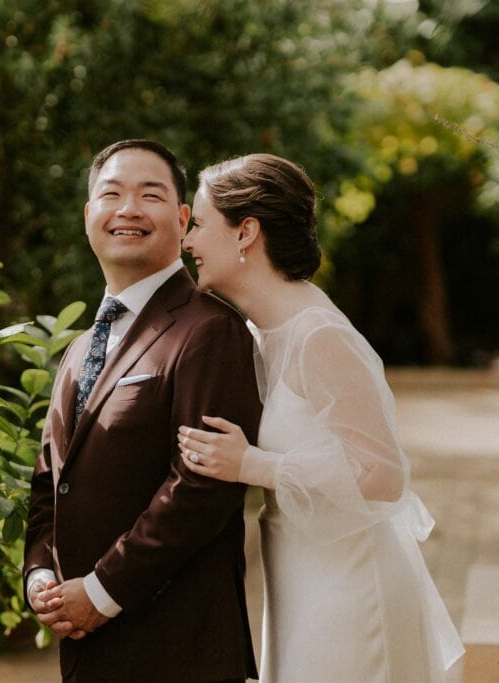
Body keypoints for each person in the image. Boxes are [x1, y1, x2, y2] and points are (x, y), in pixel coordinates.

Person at [177, 153, 465, 682]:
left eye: (197, 223)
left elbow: (383, 475)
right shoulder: (262, 332)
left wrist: (253, 466)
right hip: (298, 578)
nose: (188, 241)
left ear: (246, 232)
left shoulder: (319, 337)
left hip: (350, 592)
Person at [24, 139, 263, 682]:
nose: (128, 209)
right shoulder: (82, 347)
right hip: (89, 651)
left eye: (149, 195)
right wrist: (41, 573)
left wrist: (102, 591)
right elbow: (50, 484)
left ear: (183, 219)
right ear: (89, 216)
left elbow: (202, 488)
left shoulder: (210, 330)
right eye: (111, 194)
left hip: (178, 651)